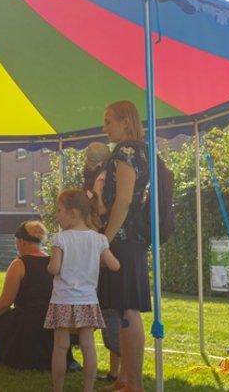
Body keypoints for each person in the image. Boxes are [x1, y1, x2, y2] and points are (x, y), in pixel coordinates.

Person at [98, 100, 152, 392]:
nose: (105, 127)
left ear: (126, 123)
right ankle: (126, 379)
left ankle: (134, 382)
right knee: (123, 309)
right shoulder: (140, 151)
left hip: (124, 241)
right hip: (132, 239)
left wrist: (105, 238)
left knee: (128, 310)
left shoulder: (126, 151)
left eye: (109, 121)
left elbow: (124, 199)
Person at [46, 189, 120, 392]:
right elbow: (114, 266)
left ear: (73, 212)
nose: (57, 215)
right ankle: (88, 389)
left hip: (63, 299)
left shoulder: (60, 239)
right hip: (87, 300)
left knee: (61, 347)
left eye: (59, 210)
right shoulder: (99, 239)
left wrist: (51, 265)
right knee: (88, 346)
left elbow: (54, 268)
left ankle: (57, 389)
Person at [0, 220, 54, 370]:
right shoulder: (53, 262)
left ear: (22, 241)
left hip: (28, 327)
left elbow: (5, 303)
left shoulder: (19, 264)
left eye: (15, 241)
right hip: (52, 326)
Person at [82, 141, 121, 382]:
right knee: (110, 308)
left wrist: (91, 201)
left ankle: (118, 367)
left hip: (103, 239)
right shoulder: (107, 174)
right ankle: (115, 368)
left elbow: (102, 209)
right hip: (104, 239)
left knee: (109, 307)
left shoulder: (100, 177)